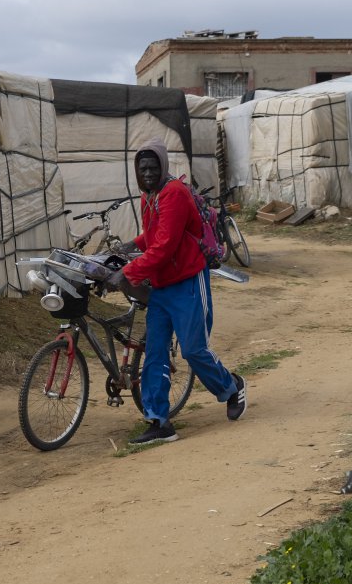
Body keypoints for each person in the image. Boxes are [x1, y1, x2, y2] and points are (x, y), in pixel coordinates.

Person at [105, 138, 246, 444]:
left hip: (188, 282)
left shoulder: (174, 193)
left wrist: (128, 272)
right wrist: (131, 245)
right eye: (142, 168)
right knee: (155, 353)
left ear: (164, 166)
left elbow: (165, 246)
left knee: (194, 350)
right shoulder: (149, 196)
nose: (147, 173)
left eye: (153, 167)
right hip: (162, 286)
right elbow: (154, 235)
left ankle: (232, 386)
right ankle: (159, 421)